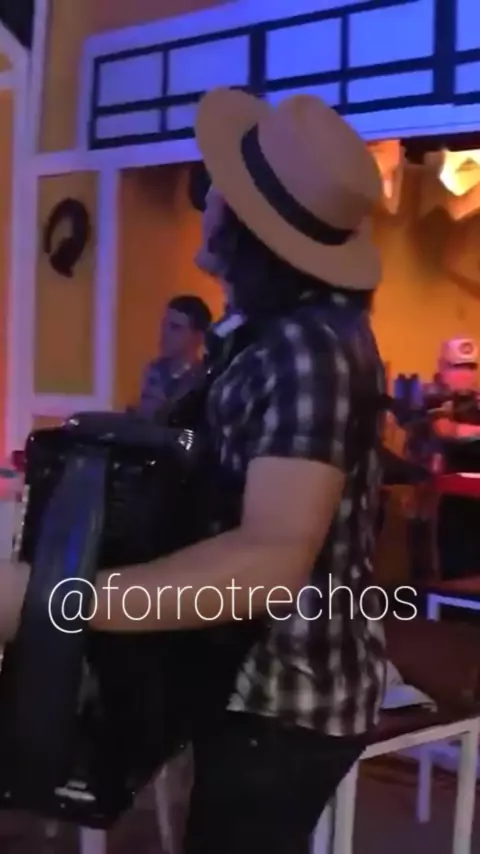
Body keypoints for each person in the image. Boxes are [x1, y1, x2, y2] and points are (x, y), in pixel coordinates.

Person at [0, 88, 387, 852]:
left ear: (245, 225)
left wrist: (54, 600)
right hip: (239, 678)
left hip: (283, 698)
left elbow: (271, 560)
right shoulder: (270, 335)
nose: (204, 199)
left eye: (219, 191)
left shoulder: (308, 347)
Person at [137, 295, 212, 417]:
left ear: (198, 337)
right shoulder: (153, 371)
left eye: (175, 327)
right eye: (164, 326)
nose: (164, 333)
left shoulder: (204, 381)